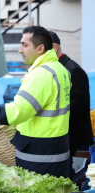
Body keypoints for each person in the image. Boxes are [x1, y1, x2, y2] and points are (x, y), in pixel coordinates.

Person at [0, 26, 72, 178]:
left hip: (39, 154)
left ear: (40, 48)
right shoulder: (59, 69)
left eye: (25, 45)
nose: (20, 50)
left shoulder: (41, 74)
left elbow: (18, 111)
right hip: (55, 147)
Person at [49, 31, 94, 178]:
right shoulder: (56, 67)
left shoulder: (72, 69)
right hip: (62, 132)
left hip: (72, 134)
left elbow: (80, 102)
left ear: (54, 48)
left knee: (66, 174)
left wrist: (56, 117)